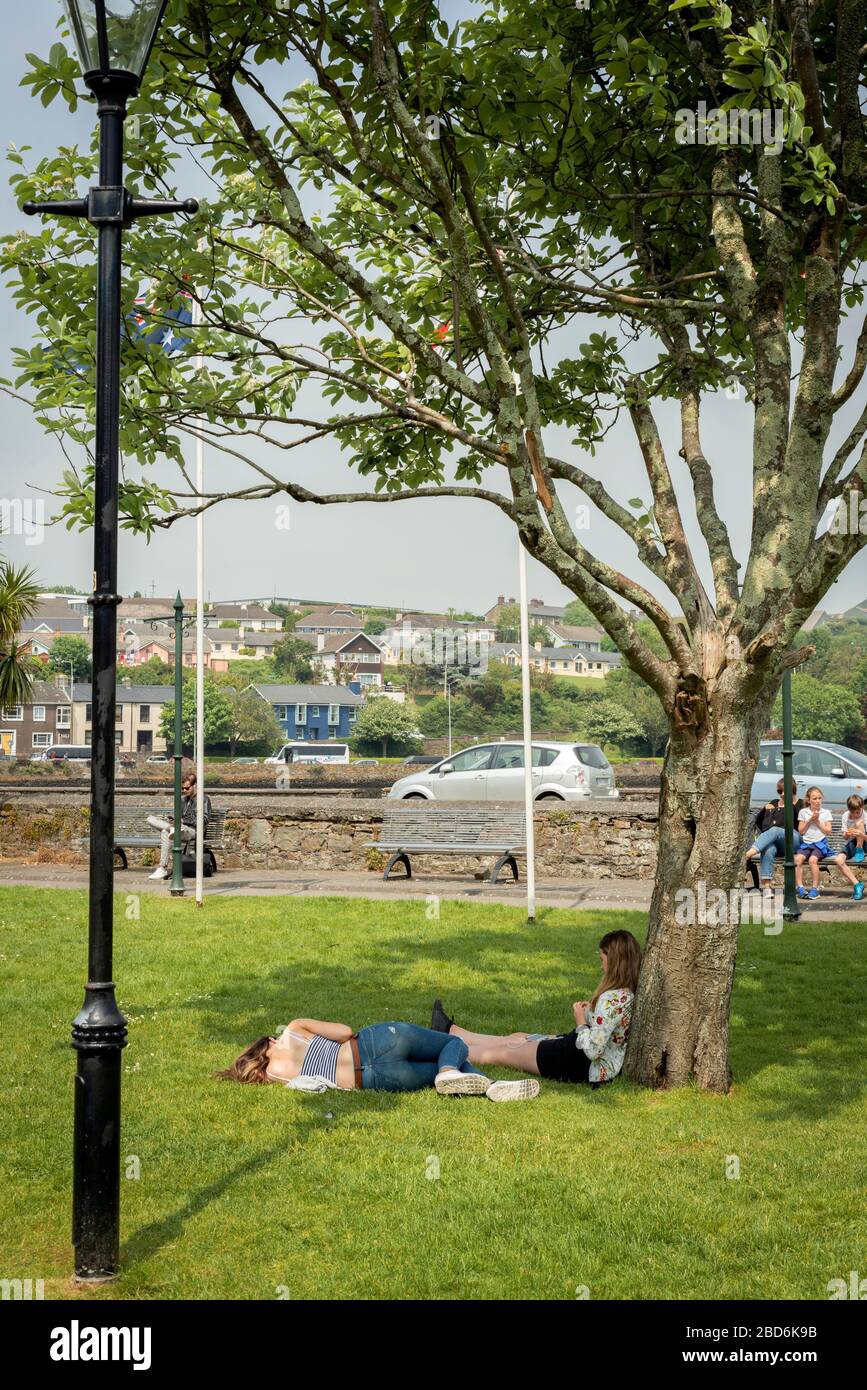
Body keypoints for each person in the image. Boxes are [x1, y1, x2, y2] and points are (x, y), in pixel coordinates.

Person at [430, 929, 641, 1087]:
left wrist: (580, 1021)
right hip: (578, 1055)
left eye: (602, 960)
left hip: (580, 1063)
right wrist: (590, 1012)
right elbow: (608, 1030)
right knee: (518, 1036)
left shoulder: (610, 999)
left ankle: (441, 1052)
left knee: (504, 1052)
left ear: (614, 962)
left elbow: (593, 1050)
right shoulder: (626, 994)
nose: (601, 966)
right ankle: (451, 1031)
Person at [217, 1017, 540, 1101]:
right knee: (453, 1043)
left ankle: (479, 1082)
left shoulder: (275, 1076)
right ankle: (449, 1070)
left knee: (436, 1073)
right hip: (378, 1042)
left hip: (374, 1080)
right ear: (268, 1041)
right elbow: (344, 1032)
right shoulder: (293, 1030)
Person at [795, 786, 863, 900]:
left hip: (820, 844)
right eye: (814, 798)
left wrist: (817, 821)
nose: (817, 801)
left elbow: (828, 831)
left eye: (819, 798)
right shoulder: (803, 812)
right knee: (797, 859)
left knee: (812, 860)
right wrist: (809, 820)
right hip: (806, 844)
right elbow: (801, 831)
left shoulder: (825, 812)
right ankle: (800, 887)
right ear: (808, 800)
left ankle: (815, 889)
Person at [147, 771, 212, 881]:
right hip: (180, 828)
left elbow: (204, 820)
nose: (184, 791)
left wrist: (183, 820)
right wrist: (175, 819)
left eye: (187, 788)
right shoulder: (183, 800)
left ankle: (162, 868)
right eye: (183, 788)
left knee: (165, 831)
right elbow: (180, 816)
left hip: (192, 830)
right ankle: (172, 828)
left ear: (195, 786)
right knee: (150, 819)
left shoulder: (203, 799)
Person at [745, 778, 802, 894]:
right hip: (778, 845)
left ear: (793, 790)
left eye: (785, 791)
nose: (782, 794)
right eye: (779, 791)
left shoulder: (800, 804)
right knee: (768, 848)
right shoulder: (774, 803)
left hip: (795, 841)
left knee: (776, 830)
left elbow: (800, 824)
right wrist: (766, 810)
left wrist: (785, 807)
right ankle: (767, 887)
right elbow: (761, 823)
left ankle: (749, 853)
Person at [841, 794, 866, 865]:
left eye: (857, 812)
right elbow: (845, 838)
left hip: (864, 844)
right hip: (851, 844)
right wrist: (847, 834)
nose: (855, 814)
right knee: (838, 860)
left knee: (859, 823)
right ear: (849, 809)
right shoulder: (845, 816)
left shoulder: (865, 817)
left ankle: (859, 850)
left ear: (862, 807)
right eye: (852, 812)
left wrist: (861, 834)